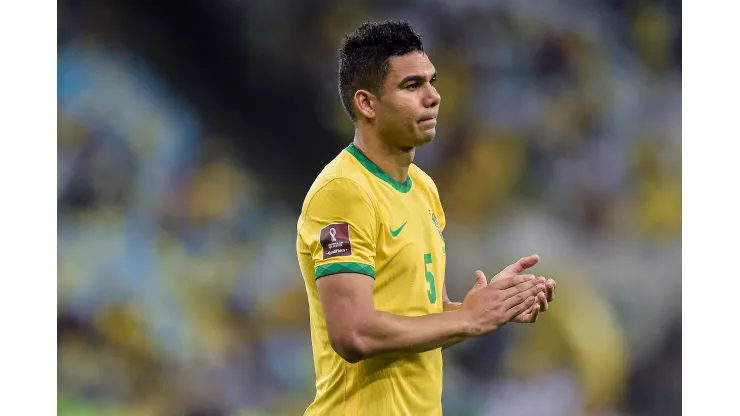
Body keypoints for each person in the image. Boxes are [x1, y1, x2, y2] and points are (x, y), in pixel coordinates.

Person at [296, 20, 557, 416]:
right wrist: (467, 320)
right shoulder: (344, 192)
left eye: (432, 81)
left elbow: (420, 322)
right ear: (367, 104)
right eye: (412, 86)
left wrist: (486, 308)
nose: (434, 96)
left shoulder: (423, 189)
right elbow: (353, 333)